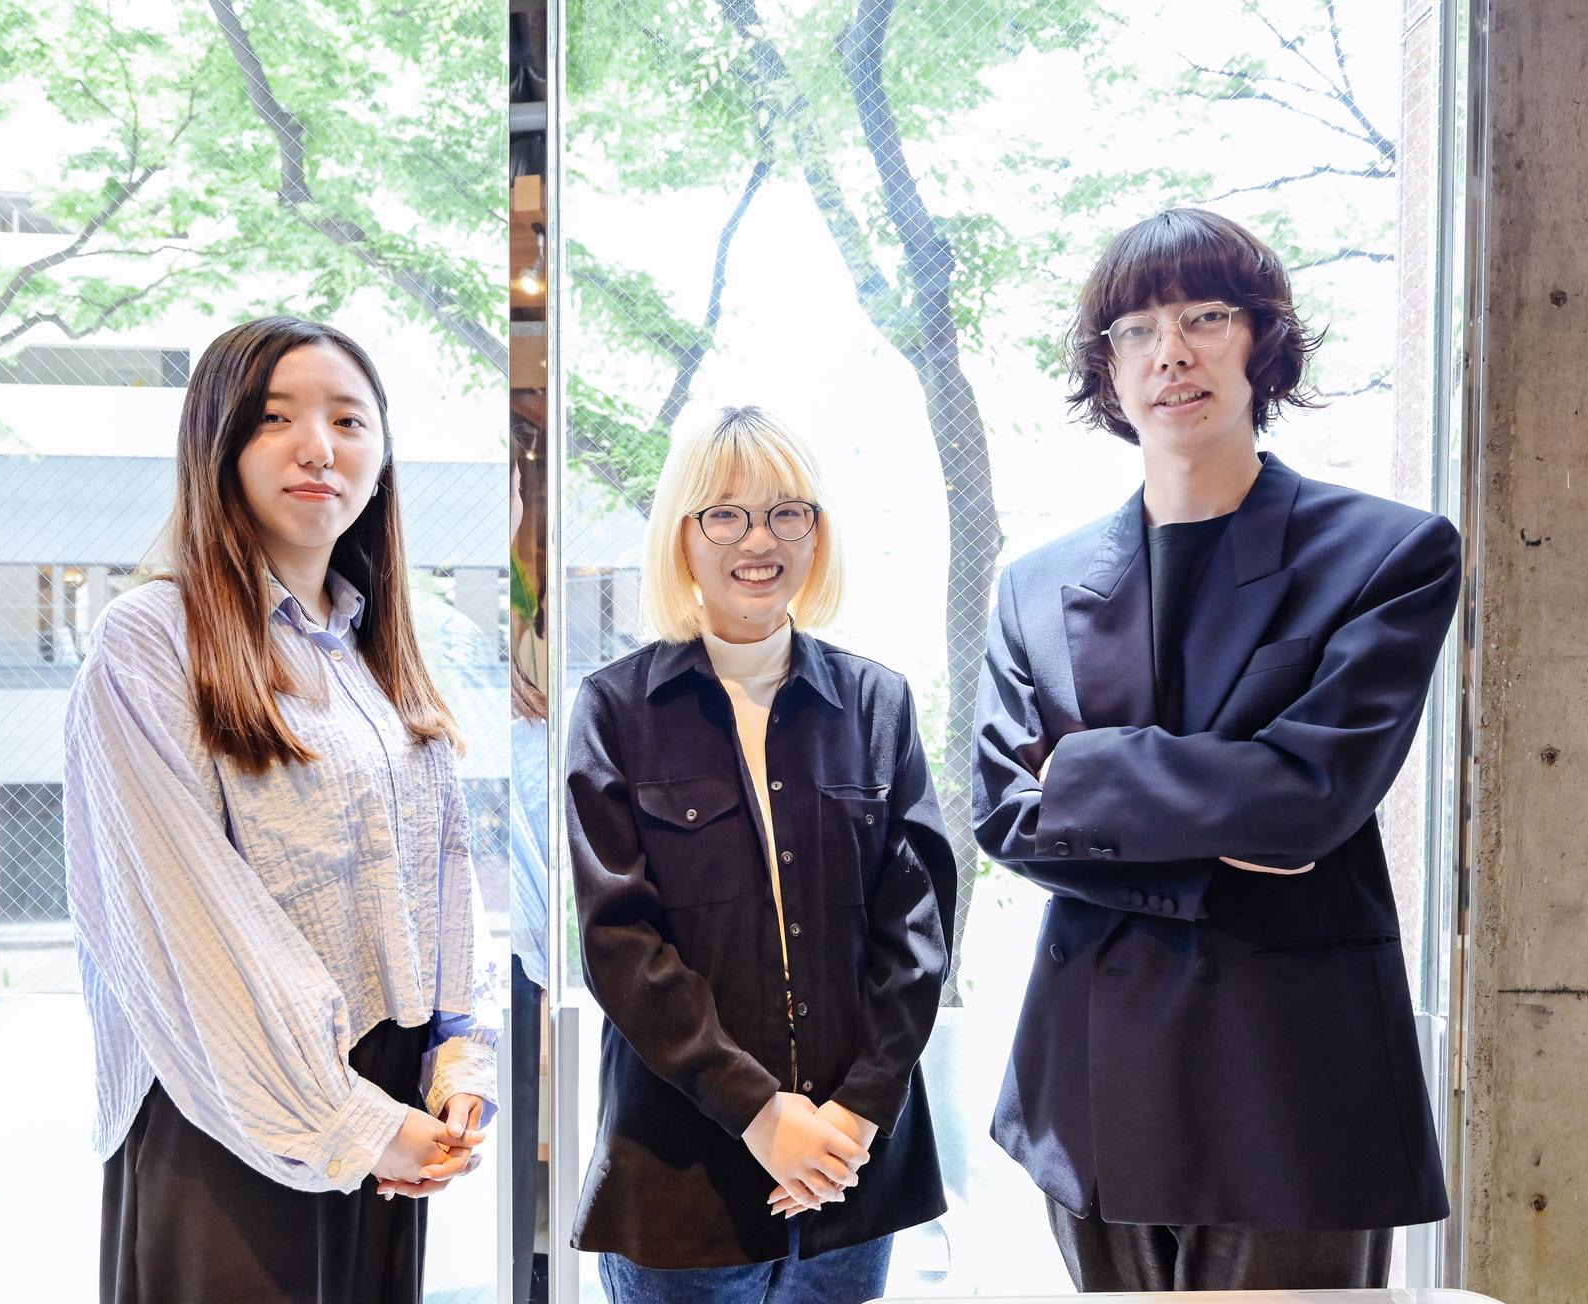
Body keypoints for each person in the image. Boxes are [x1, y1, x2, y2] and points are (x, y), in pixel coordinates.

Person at [973, 208, 1457, 1292]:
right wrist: (1229, 820)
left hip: (1292, 1082)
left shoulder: (1387, 553)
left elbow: (1310, 797)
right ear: (1107, 369)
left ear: (1261, 341)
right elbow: (1005, 814)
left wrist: (1084, 774)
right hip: (1090, 1084)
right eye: (1137, 330)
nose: (1171, 352)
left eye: (1204, 316)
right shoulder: (1036, 586)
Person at [65, 316, 499, 1303]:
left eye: (348, 419)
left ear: (382, 456)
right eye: (275, 418)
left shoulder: (374, 642)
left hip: (387, 1096)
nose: (318, 447)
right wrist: (350, 1119)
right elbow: (185, 917)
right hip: (230, 1097)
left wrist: (458, 1047)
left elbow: (443, 868)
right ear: (217, 445)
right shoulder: (151, 638)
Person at [564, 406, 955, 1301]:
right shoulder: (615, 710)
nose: (759, 539)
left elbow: (918, 933)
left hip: (854, 1171)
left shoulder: (877, 705)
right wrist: (758, 1113)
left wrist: (859, 1112)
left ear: (817, 533)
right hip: (681, 1176)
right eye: (726, 514)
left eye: (786, 513)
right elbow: (617, 943)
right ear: (682, 535)